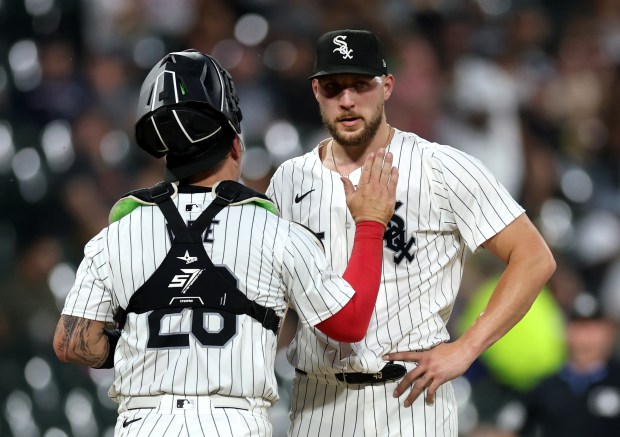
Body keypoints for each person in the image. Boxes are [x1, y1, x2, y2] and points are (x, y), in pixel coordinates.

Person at [52, 49, 399, 437]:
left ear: (166, 156)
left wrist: (151, 345)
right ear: (236, 146)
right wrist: (370, 223)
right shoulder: (275, 233)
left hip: (143, 423)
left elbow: (72, 343)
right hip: (232, 422)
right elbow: (349, 323)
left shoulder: (115, 236)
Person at [265, 29, 556, 436]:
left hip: (409, 399)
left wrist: (466, 348)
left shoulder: (441, 167)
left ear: (387, 86)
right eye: (333, 88)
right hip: (316, 400)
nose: (347, 101)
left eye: (360, 86)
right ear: (316, 90)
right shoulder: (289, 180)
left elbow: (534, 256)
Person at [518, 292, 620, 436]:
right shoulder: (545, 387)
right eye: (579, 327)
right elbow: (509, 428)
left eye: (593, 328)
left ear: (608, 332)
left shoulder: (616, 380)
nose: (585, 338)